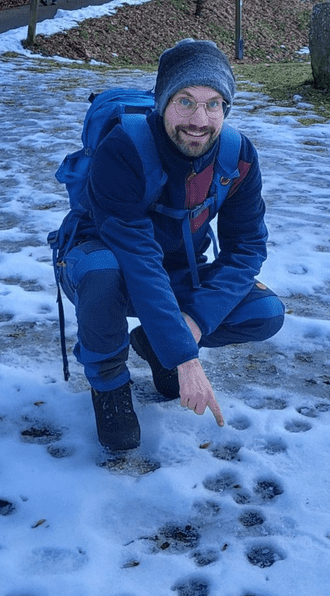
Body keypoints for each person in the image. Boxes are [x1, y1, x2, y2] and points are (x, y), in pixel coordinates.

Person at [58, 38, 284, 453]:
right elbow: (138, 258)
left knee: (265, 311)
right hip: (105, 268)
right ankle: (109, 383)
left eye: (213, 104)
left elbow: (247, 248)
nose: (199, 120)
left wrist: (192, 323)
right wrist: (185, 357)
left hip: (177, 271)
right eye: (185, 101)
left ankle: (153, 341)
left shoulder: (237, 156)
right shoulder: (123, 148)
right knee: (103, 270)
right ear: (163, 103)